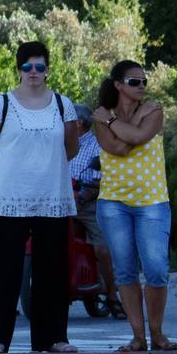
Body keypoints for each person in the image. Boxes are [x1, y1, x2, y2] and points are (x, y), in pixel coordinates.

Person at [0, 41, 80, 353]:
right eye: (27, 66)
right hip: (10, 197)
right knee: (2, 271)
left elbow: (71, 146)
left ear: (47, 70)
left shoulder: (63, 104)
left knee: (52, 270)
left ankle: (53, 338)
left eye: (40, 66)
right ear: (19, 70)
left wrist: (50, 167)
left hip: (52, 195)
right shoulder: (2, 104)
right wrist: (7, 166)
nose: (33, 72)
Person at [92, 60, 177, 352]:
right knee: (125, 272)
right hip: (113, 203)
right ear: (117, 85)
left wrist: (113, 123)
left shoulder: (152, 110)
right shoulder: (99, 118)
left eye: (144, 81)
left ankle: (158, 334)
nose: (141, 86)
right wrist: (124, 127)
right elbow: (118, 148)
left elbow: (138, 138)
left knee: (156, 270)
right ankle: (138, 337)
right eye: (134, 82)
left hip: (152, 202)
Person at [68, 108, 122, 317]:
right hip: (63, 201)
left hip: (88, 204)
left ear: (79, 122)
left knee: (102, 248)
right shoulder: (63, 143)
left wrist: (86, 194)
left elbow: (107, 176)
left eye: (69, 119)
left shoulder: (97, 144)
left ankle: (112, 296)